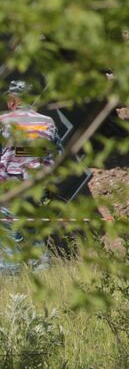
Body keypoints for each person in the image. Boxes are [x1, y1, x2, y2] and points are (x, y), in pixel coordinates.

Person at [0, 81, 57, 274]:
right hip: (37, 186)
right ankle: (43, 273)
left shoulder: (4, 122)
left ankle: (10, 279)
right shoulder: (48, 122)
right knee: (34, 231)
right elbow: (58, 154)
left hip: (8, 187)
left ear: (11, 101)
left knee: (8, 234)